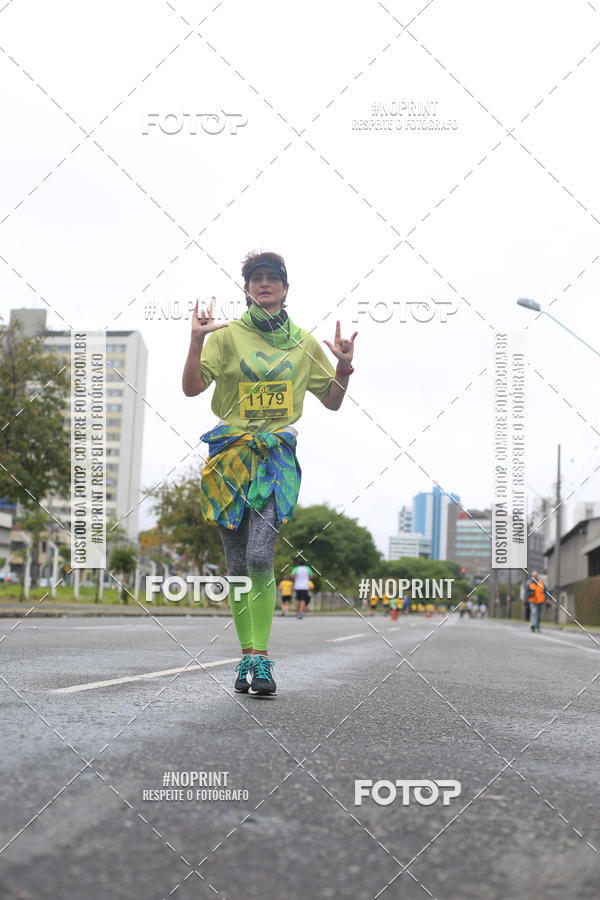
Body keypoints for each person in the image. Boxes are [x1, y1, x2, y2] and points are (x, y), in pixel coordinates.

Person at [182, 251, 357, 696]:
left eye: (272, 279)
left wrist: (343, 367)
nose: (264, 284)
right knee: (238, 565)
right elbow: (191, 388)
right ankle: (248, 661)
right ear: (246, 288)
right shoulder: (226, 337)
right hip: (230, 458)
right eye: (255, 278)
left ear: (284, 288)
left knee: (261, 556)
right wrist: (196, 341)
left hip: (276, 458)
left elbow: (333, 401)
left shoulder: (303, 343)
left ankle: (261, 660)